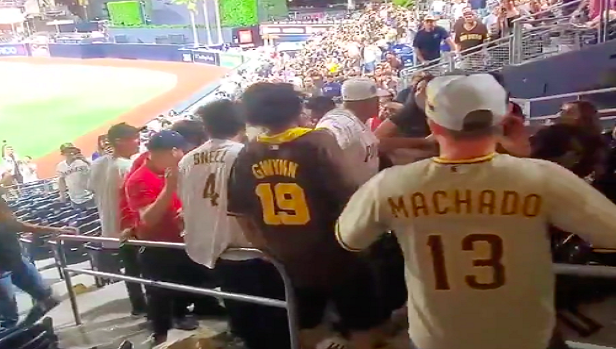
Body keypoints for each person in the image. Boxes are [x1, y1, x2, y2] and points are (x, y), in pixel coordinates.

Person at [335, 73, 616, 349]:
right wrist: (522, 158)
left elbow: (348, 237)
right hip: (525, 336)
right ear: (500, 120)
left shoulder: (391, 183)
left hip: (438, 339)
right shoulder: (541, 177)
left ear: (434, 124)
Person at [228, 82, 386, 349]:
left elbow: (240, 213)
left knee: (307, 324)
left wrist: (266, 247)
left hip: (288, 256)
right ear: (295, 107)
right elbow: (348, 196)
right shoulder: (317, 141)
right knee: (364, 324)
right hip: (337, 252)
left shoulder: (247, 153)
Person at [179, 100, 285, 349]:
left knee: (243, 318)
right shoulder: (244, 153)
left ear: (206, 127)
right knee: (274, 319)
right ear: (241, 122)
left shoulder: (187, 160)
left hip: (216, 250)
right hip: (255, 250)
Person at [125, 130, 223, 346]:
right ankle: (162, 335)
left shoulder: (180, 170)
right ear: (170, 151)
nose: (182, 156)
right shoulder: (138, 179)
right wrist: (169, 187)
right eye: (179, 151)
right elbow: (148, 219)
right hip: (158, 249)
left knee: (199, 281)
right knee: (161, 298)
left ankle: (197, 307)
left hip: (185, 241)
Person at [88, 123, 146, 316]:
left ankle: (138, 306)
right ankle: (152, 306)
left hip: (110, 228)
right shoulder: (127, 166)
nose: (138, 141)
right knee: (146, 268)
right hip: (129, 227)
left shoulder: (97, 164)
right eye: (134, 138)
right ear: (120, 142)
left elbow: (92, 189)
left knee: (131, 270)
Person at [0, 192, 76, 331]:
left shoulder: (0, 206)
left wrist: (56, 230)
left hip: (18, 263)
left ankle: (26, 330)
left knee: (49, 298)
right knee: (8, 319)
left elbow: (20, 225)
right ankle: (13, 338)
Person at [316, 78, 381, 186]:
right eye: (376, 100)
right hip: (347, 197)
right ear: (365, 103)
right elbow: (322, 145)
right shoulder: (339, 122)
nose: (379, 104)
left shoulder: (360, 120)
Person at [57, 143, 93, 209]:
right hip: (74, 200)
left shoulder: (83, 162)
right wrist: (62, 194)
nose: (71, 153)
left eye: (72, 150)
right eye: (68, 151)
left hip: (89, 197)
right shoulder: (60, 166)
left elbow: (95, 172)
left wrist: (86, 161)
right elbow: (61, 181)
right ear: (63, 153)